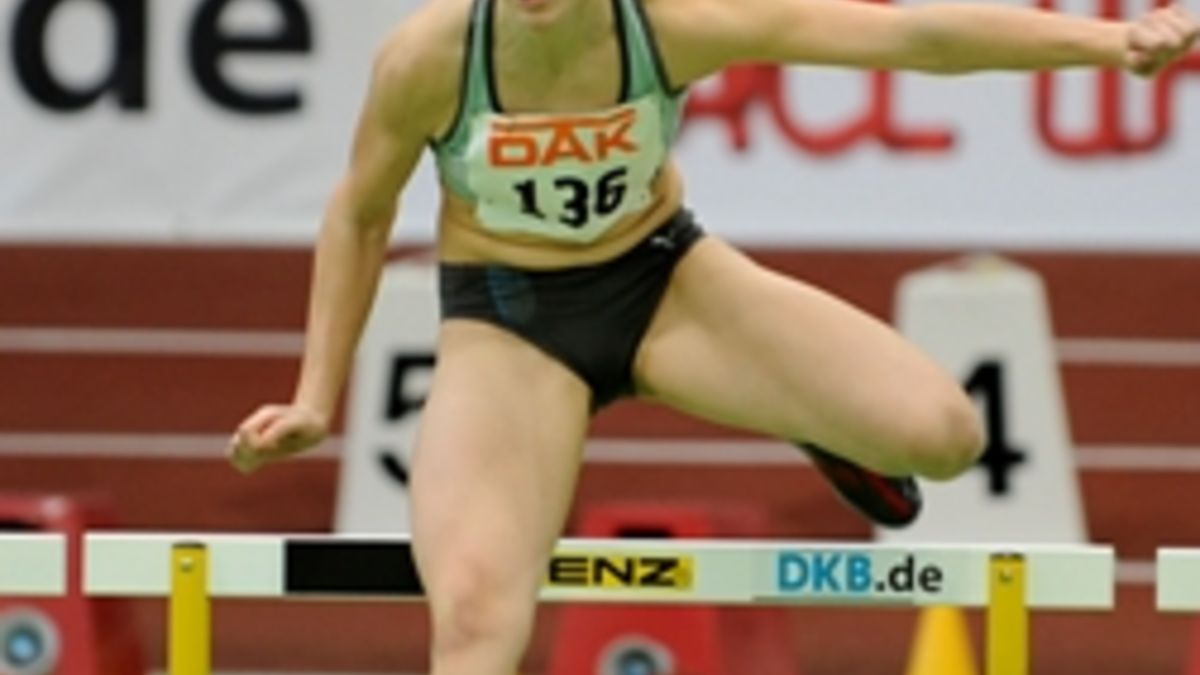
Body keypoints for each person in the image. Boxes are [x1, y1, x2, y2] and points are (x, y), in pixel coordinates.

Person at [227, 0, 1198, 670]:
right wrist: (316, 394)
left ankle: (824, 422)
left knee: (944, 436)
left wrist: (1109, 43)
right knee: (476, 623)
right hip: (511, 326)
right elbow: (360, 213)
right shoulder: (428, 57)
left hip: (665, 283)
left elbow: (910, 37)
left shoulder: (668, 24)